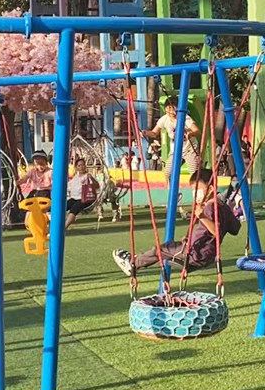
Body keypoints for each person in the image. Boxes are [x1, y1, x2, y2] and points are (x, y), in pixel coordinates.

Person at [112, 169, 241, 276]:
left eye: (197, 189)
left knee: (160, 250)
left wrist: (202, 217)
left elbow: (216, 232)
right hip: (206, 254)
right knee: (170, 248)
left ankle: (133, 263)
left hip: (195, 253)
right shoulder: (223, 206)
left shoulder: (210, 207)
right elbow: (235, 229)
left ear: (211, 188)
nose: (194, 193)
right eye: (192, 190)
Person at [142, 97, 201, 186]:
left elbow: (197, 130)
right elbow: (154, 133)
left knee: (194, 172)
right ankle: (171, 191)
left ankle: (198, 189)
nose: (171, 112)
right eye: (169, 108)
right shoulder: (164, 119)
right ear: (165, 109)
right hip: (175, 150)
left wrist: (190, 134)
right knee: (167, 173)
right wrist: (145, 133)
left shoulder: (185, 118)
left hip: (189, 148)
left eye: (174, 109)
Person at [65, 157, 100, 230]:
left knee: (75, 208)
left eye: (83, 165)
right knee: (63, 206)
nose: (81, 167)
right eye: (79, 165)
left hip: (84, 199)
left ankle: (65, 227)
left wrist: (91, 179)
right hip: (74, 198)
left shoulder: (88, 175)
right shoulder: (76, 177)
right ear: (76, 167)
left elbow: (97, 186)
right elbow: (69, 186)